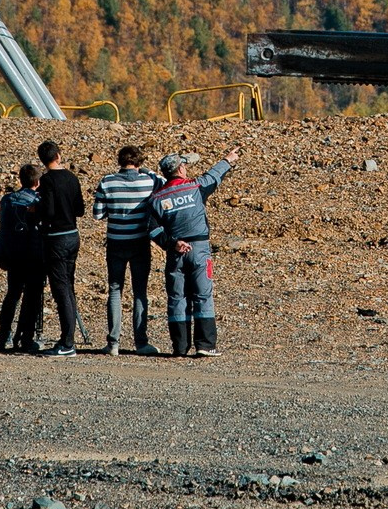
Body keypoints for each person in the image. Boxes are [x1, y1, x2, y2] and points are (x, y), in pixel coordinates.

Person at [143, 148, 240, 358]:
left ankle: (180, 346)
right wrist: (228, 160)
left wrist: (172, 244)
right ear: (181, 168)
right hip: (199, 249)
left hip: (175, 252)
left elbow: (153, 229)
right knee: (202, 296)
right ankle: (205, 344)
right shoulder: (195, 187)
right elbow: (213, 176)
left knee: (177, 298)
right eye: (184, 165)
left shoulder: (156, 198)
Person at [89, 144, 160, 356]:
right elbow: (164, 183)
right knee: (140, 292)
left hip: (116, 242)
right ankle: (141, 342)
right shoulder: (150, 180)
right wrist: (148, 170)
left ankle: (113, 343)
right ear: (139, 161)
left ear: (120, 161)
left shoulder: (107, 181)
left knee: (114, 290)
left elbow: (97, 214)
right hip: (140, 242)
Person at [34, 139, 86, 357]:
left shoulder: (46, 181)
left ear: (43, 161)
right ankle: (69, 339)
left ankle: (67, 342)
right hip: (73, 235)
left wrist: (34, 209)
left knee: (61, 289)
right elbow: (80, 210)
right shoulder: (72, 178)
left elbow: (48, 211)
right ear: (58, 156)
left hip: (55, 237)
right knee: (69, 287)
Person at [0, 162, 45, 352]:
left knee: (12, 294)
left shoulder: (7, 199)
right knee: (32, 296)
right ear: (38, 181)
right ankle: (25, 337)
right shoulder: (37, 201)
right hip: (32, 253)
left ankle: (4, 335)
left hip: (12, 253)